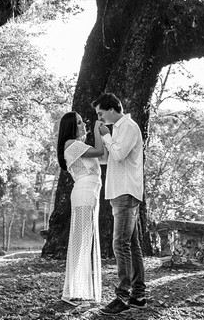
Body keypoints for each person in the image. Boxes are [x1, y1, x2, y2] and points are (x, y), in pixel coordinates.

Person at [92, 93, 146, 315]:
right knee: (132, 245)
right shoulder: (116, 130)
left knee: (120, 244)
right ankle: (138, 295)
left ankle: (122, 297)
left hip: (126, 192)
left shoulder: (129, 127)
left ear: (112, 108)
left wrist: (105, 136)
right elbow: (109, 158)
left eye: (100, 112)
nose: (99, 117)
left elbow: (121, 154)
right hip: (118, 192)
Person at [57, 111, 105, 305]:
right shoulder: (71, 145)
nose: (82, 124)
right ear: (70, 127)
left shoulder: (81, 147)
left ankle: (79, 289)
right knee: (80, 243)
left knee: (85, 242)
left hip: (90, 194)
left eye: (82, 122)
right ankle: (72, 290)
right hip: (84, 193)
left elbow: (105, 157)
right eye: (78, 123)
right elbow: (100, 151)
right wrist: (97, 131)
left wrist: (102, 135)